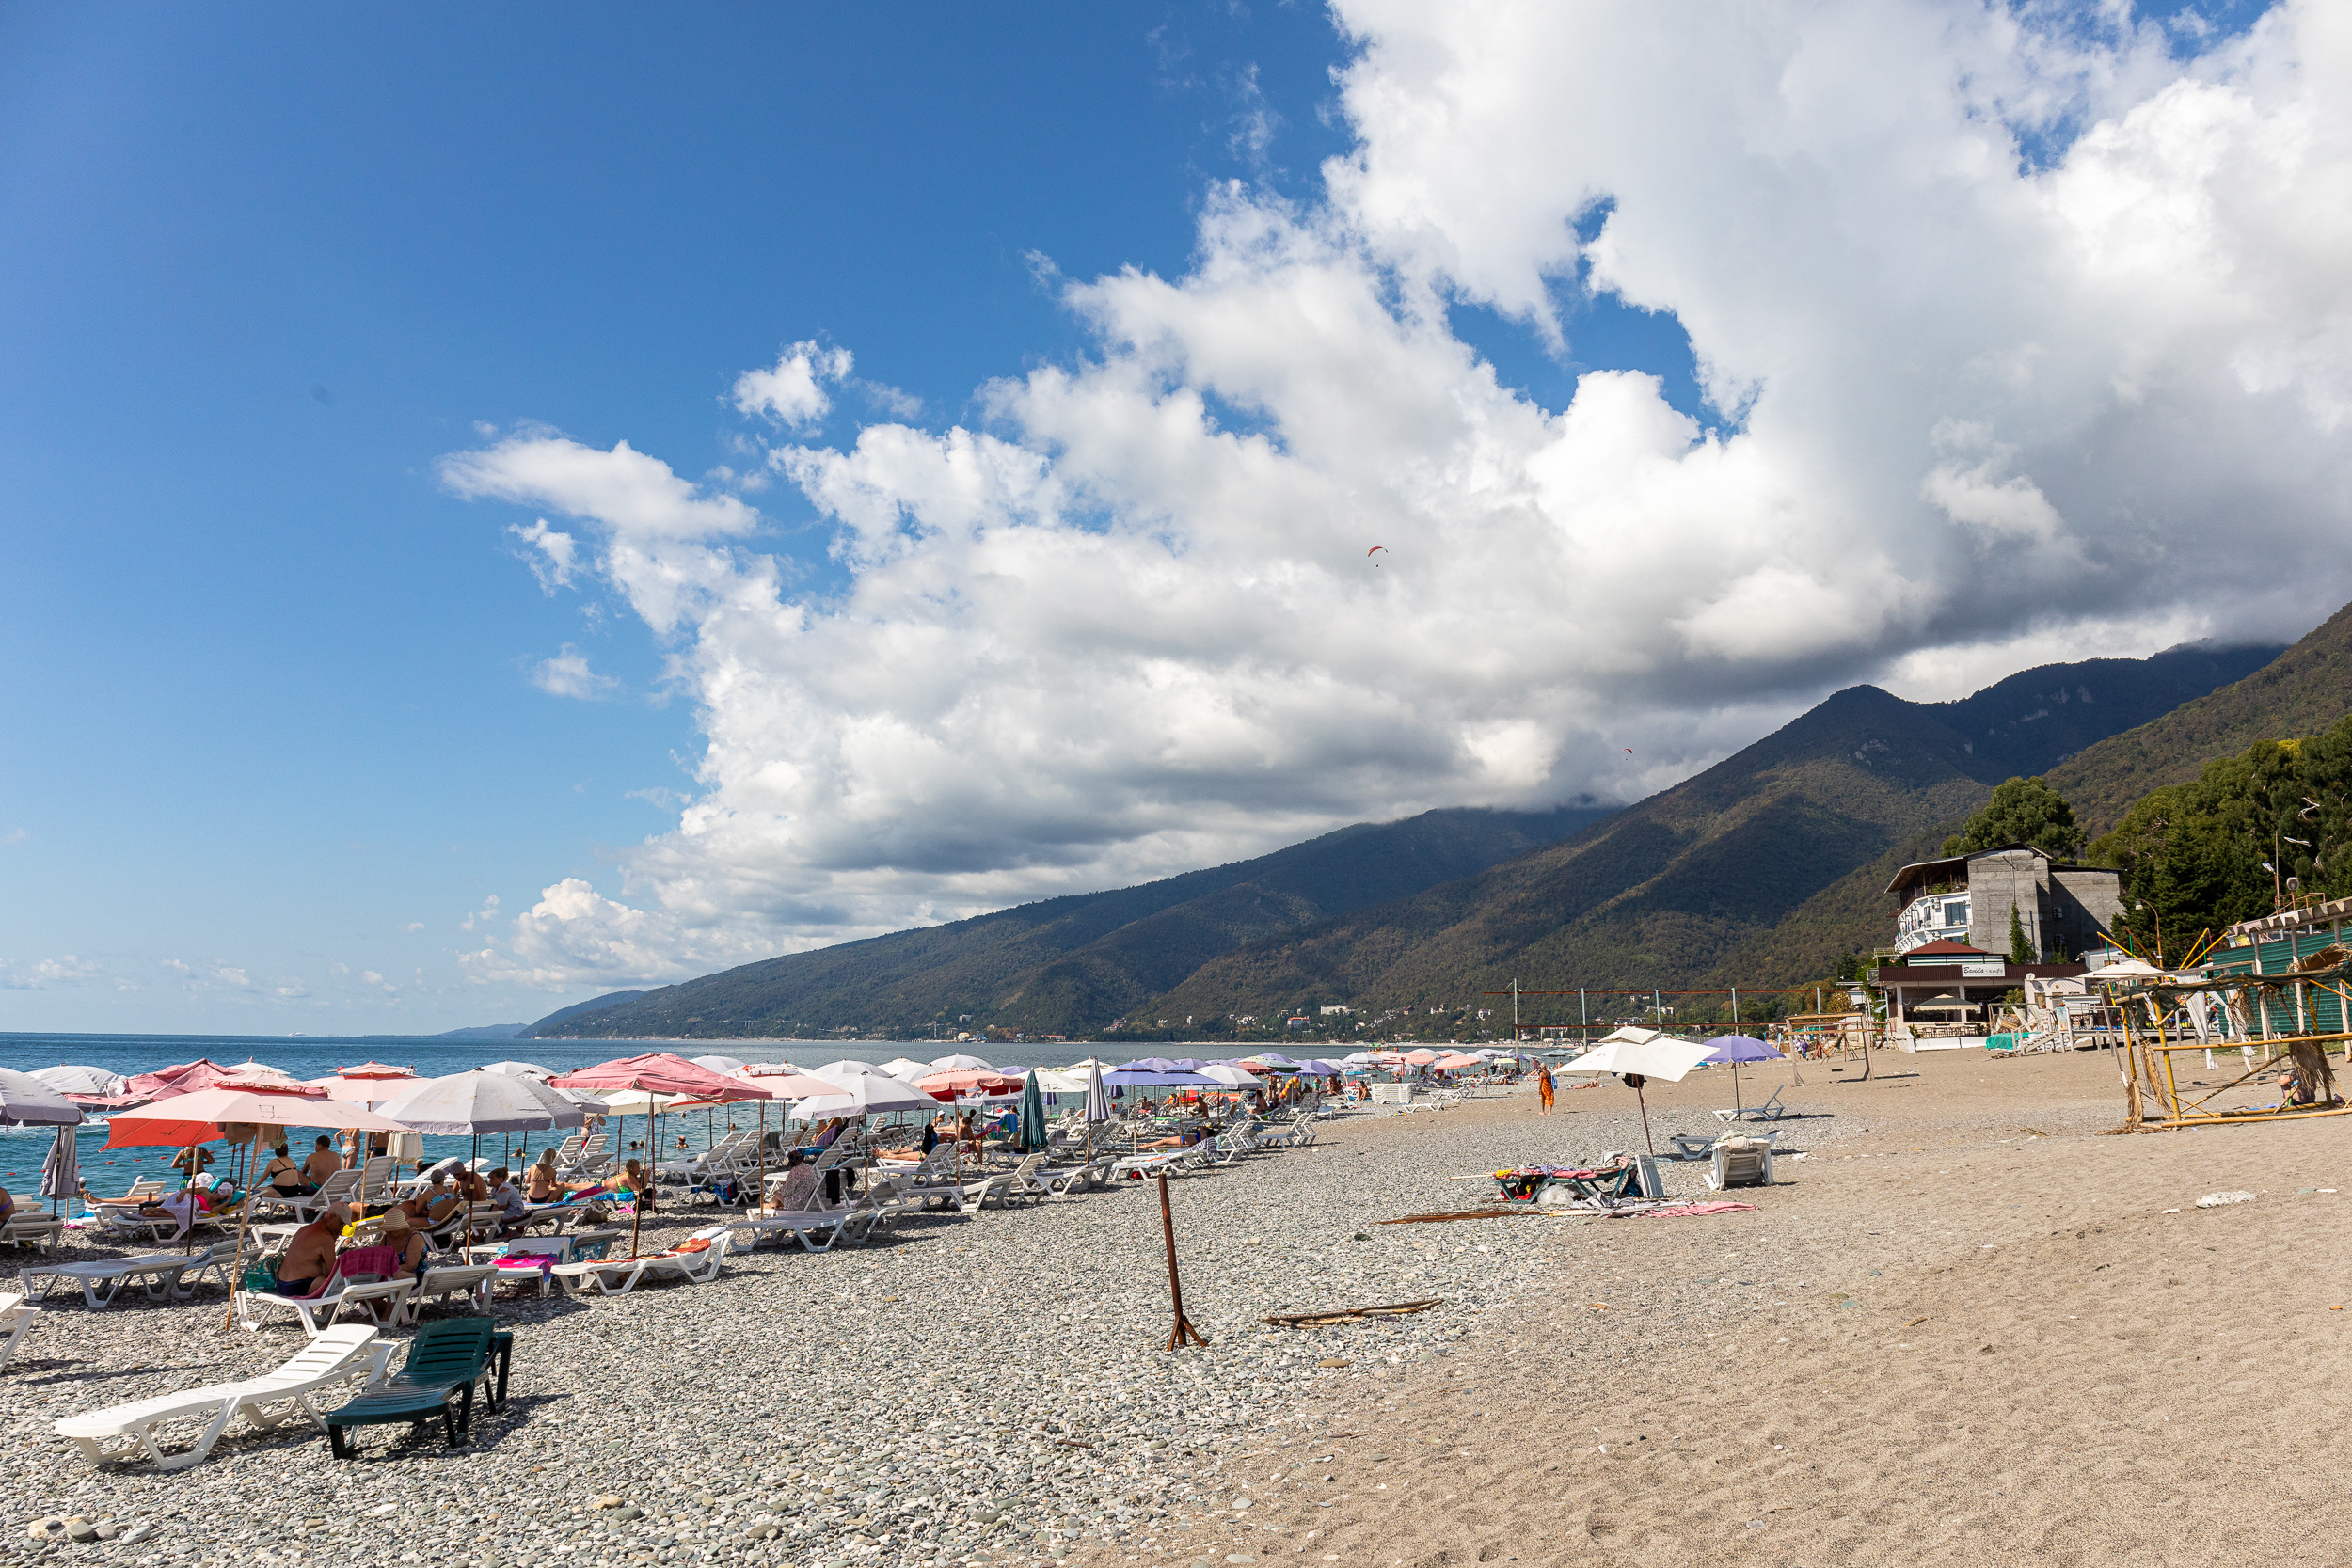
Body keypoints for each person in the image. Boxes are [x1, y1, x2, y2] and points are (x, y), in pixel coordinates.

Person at [277, 1203, 348, 1298]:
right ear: (331, 1217)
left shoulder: (304, 1229)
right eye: (341, 1223)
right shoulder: (325, 1237)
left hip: (281, 1284)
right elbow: (332, 1273)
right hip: (298, 1285)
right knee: (339, 1284)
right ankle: (361, 1304)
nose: (341, 1228)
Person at [377, 1205, 430, 1279]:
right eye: (386, 1230)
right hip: (391, 1274)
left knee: (396, 1274)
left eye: (391, 1230)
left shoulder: (414, 1238)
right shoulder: (387, 1237)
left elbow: (410, 1266)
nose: (388, 1233)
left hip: (415, 1277)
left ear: (401, 1228)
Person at [486, 1166, 530, 1237]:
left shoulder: (504, 1188)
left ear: (500, 1179)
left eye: (492, 1179)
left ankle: (501, 1233)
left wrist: (494, 1206)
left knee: (489, 1216)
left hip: (515, 1212)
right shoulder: (495, 1189)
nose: (490, 1181)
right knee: (490, 1213)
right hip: (509, 1210)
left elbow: (502, 1207)